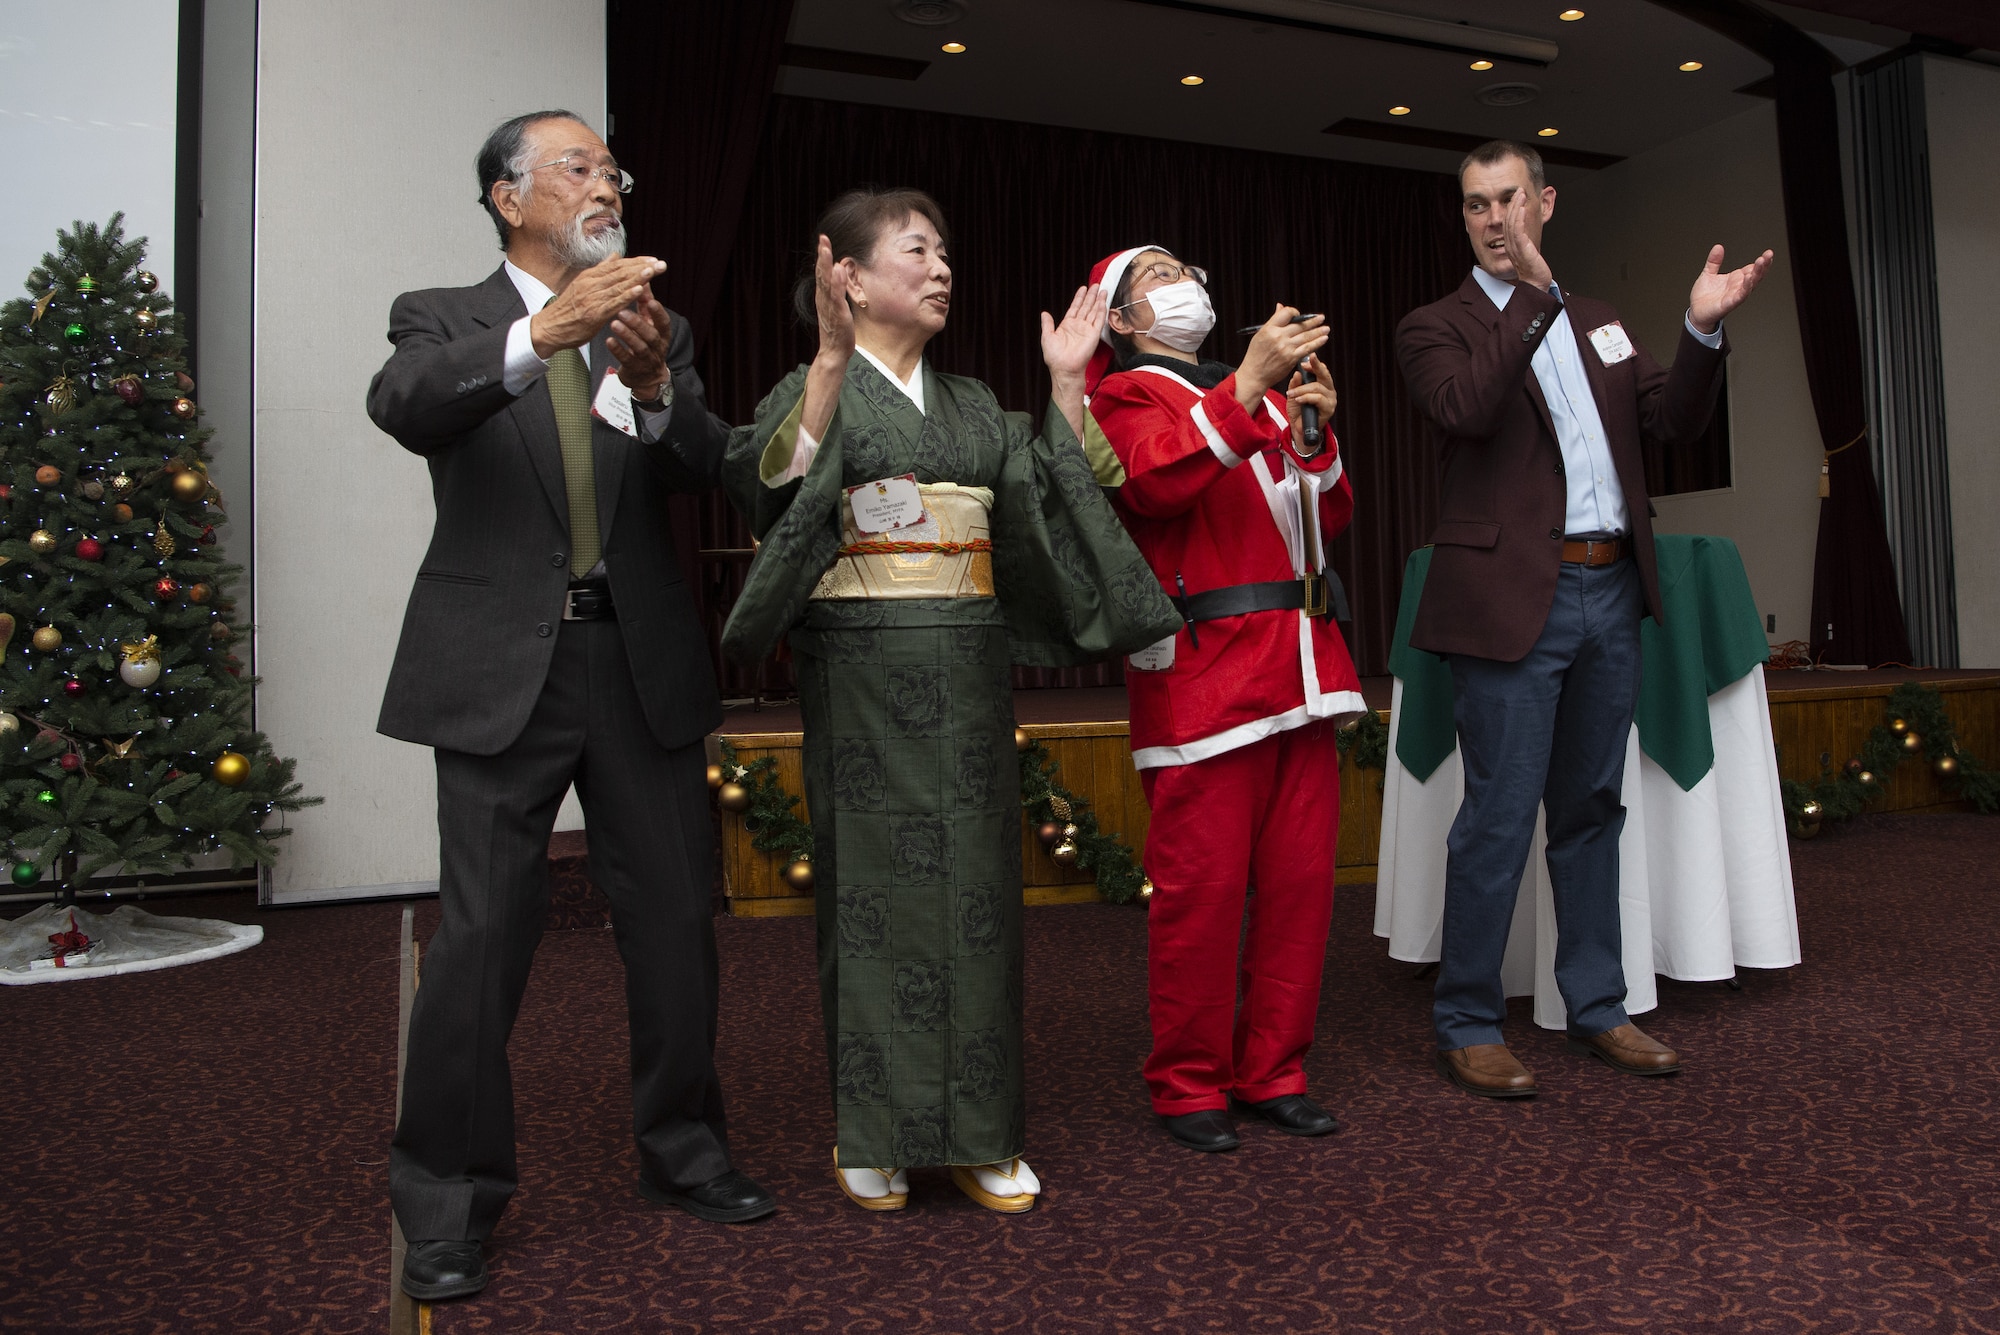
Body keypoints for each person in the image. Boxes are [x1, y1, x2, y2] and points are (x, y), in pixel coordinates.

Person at [368, 110, 773, 1303]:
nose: (609, 183)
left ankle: (685, 1152)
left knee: (674, 932)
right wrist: (543, 332)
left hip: (635, 660)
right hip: (499, 668)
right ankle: (446, 1204)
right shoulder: (439, 314)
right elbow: (405, 405)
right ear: (507, 197)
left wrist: (653, 390)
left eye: (614, 169)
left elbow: (708, 464)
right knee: (483, 944)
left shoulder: (657, 321)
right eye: (579, 166)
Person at [720, 189, 1179, 1213]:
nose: (940, 270)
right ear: (843, 273)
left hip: (966, 671)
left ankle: (979, 1129)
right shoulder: (810, 384)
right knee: (871, 902)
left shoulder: (975, 405)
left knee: (978, 901)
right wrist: (833, 366)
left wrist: (1065, 390)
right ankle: (872, 1132)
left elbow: (1042, 499)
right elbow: (768, 492)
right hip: (861, 672)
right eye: (915, 251)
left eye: (944, 253)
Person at [1394, 140, 1771, 1098]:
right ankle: (1469, 1020)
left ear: (1546, 200)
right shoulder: (1434, 325)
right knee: (1498, 817)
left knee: (1593, 807)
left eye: (1508, 198)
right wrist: (1531, 293)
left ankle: (1597, 1003)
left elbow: (1671, 422)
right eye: (1475, 204)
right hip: (1515, 599)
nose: (1492, 217)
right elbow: (1467, 409)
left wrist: (1697, 329)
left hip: (1611, 592)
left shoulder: (1600, 323)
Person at [1084, 247, 1365, 1153]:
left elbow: (1326, 517)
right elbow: (1157, 483)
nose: (1187, 281)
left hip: (1302, 670)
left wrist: (1314, 430)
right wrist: (1248, 384)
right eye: (1158, 274)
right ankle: (1188, 1082)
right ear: (1120, 321)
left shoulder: (1266, 395)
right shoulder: (1122, 400)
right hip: (1207, 679)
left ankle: (1274, 1069)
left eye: (1187, 266)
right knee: (1200, 900)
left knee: (1297, 893)